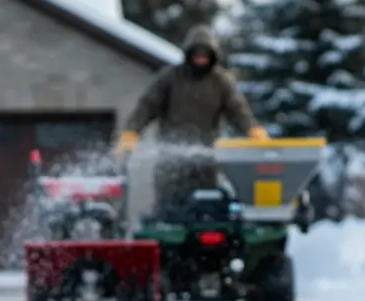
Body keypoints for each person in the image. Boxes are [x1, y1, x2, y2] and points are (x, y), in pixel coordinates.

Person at [113, 24, 270, 217]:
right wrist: (131, 132)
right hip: (171, 163)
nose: (201, 59)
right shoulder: (170, 78)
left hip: (207, 161)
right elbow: (146, 106)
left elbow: (238, 110)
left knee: (206, 208)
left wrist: (252, 130)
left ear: (213, 57)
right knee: (170, 211)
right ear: (189, 54)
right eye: (197, 54)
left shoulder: (221, 82)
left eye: (206, 55)